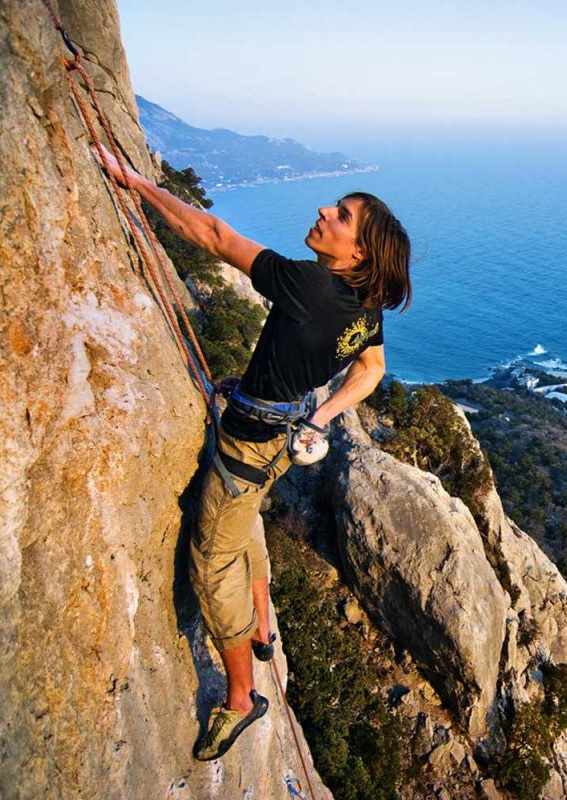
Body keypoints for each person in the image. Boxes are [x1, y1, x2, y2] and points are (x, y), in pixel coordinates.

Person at [95, 144, 411, 760]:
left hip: (249, 444)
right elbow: (371, 368)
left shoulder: (309, 285)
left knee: (213, 563)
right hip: (279, 439)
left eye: (341, 215)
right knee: (246, 519)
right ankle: (263, 615)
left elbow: (213, 233)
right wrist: (321, 414)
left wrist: (134, 179)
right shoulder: (364, 307)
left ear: (359, 253)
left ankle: (241, 699)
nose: (324, 210)